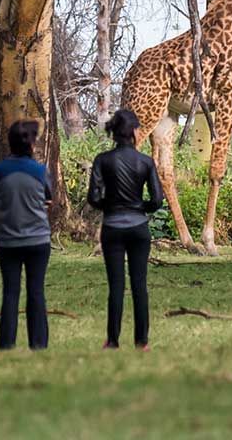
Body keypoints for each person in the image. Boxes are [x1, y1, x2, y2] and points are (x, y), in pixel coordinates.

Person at [87, 108, 162, 350]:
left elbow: (93, 198)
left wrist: (111, 206)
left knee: (116, 285)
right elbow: (157, 200)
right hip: (139, 228)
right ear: (134, 132)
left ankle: (113, 340)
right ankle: (142, 341)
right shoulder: (146, 162)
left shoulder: (102, 160)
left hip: (112, 228)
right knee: (139, 284)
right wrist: (139, 207)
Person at [0, 119, 52, 351]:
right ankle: (39, 343)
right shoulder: (40, 171)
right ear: (32, 144)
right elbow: (48, 198)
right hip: (38, 240)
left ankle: (7, 343)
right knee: (36, 291)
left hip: (8, 240)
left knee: (10, 291)